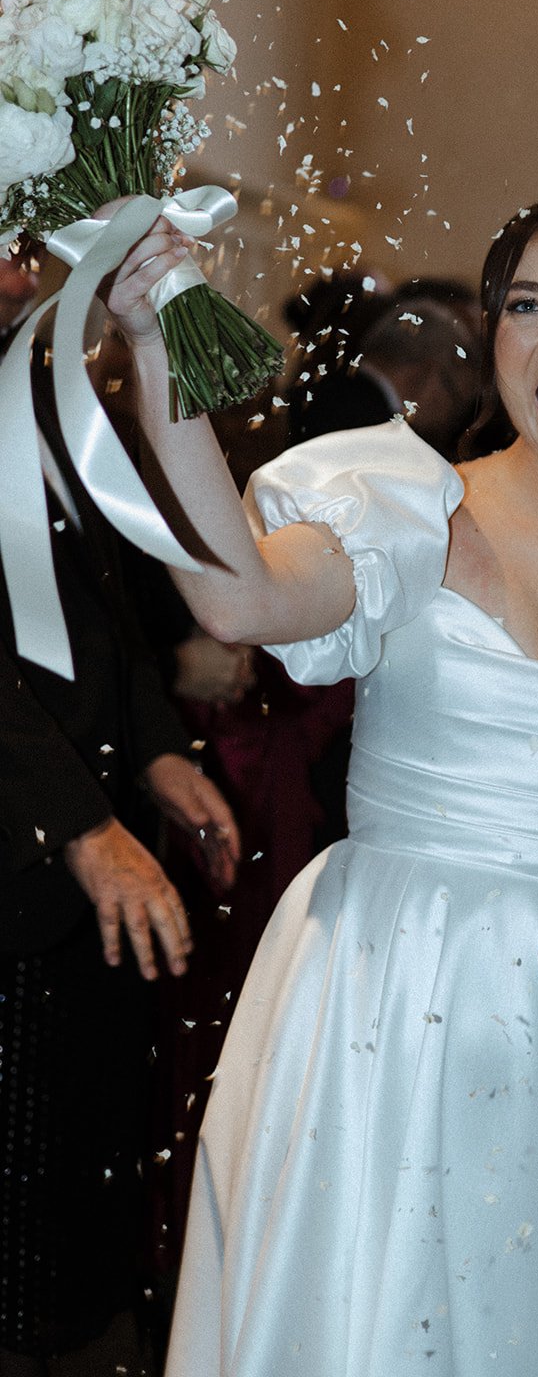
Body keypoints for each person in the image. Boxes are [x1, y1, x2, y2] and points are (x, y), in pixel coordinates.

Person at [105, 196, 538, 1374]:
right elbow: (236, 597)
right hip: (383, 1001)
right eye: (528, 308)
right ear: (492, 338)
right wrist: (150, 344)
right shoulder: (400, 505)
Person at [0, 256, 240, 1374]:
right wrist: (79, 825)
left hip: (80, 856)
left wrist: (152, 749)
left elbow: (100, 598)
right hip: (24, 850)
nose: (21, 270)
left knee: (72, 1207)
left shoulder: (40, 388)